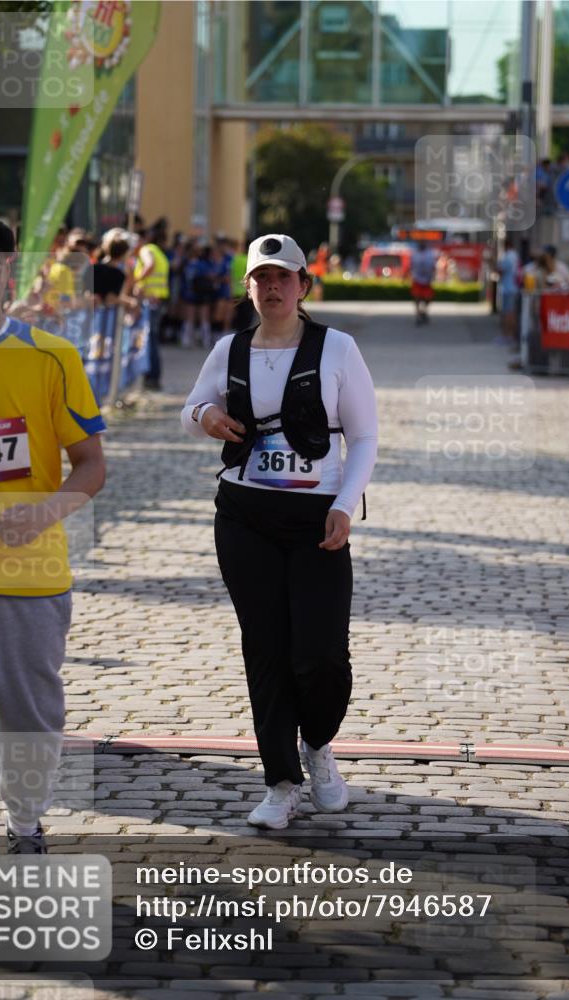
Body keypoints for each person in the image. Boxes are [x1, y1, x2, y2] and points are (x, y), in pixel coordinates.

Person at [0, 208, 106, 950]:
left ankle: (24, 821)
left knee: (29, 725)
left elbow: (92, 466)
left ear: (14, 272)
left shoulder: (51, 358)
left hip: (32, 580)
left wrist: (44, 512)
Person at [181, 234, 378, 830]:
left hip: (317, 519)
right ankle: (280, 781)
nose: (272, 288)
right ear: (248, 287)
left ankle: (317, 745)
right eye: (261, 278)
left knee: (319, 655)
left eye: (283, 278)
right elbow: (191, 410)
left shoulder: (337, 349)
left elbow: (364, 435)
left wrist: (344, 505)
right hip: (244, 515)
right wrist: (206, 417)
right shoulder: (229, 349)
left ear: (303, 286)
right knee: (264, 648)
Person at [133, 224, 170, 388]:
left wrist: (136, 280)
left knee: (150, 339)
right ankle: (153, 377)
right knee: (153, 339)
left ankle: (151, 377)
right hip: (158, 299)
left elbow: (150, 265)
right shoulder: (158, 251)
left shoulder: (146, 250)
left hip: (151, 300)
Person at [496, 238, 520, 346]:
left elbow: (500, 271)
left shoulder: (508, 256)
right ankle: (510, 335)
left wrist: (493, 262)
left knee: (508, 313)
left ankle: (507, 336)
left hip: (508, 288)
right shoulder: (515, 255)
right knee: (511, 312)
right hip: (512, 287)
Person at [410, 241, 436, 325]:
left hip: (427, 280)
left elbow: (433, 266)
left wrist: (433, 276)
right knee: (417, 297)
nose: (421, 245)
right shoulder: (415, 254)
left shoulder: (430, 254)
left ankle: (423, 311)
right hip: (417, 279)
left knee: (427, 298)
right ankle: (418, 314)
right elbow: (411, 265)